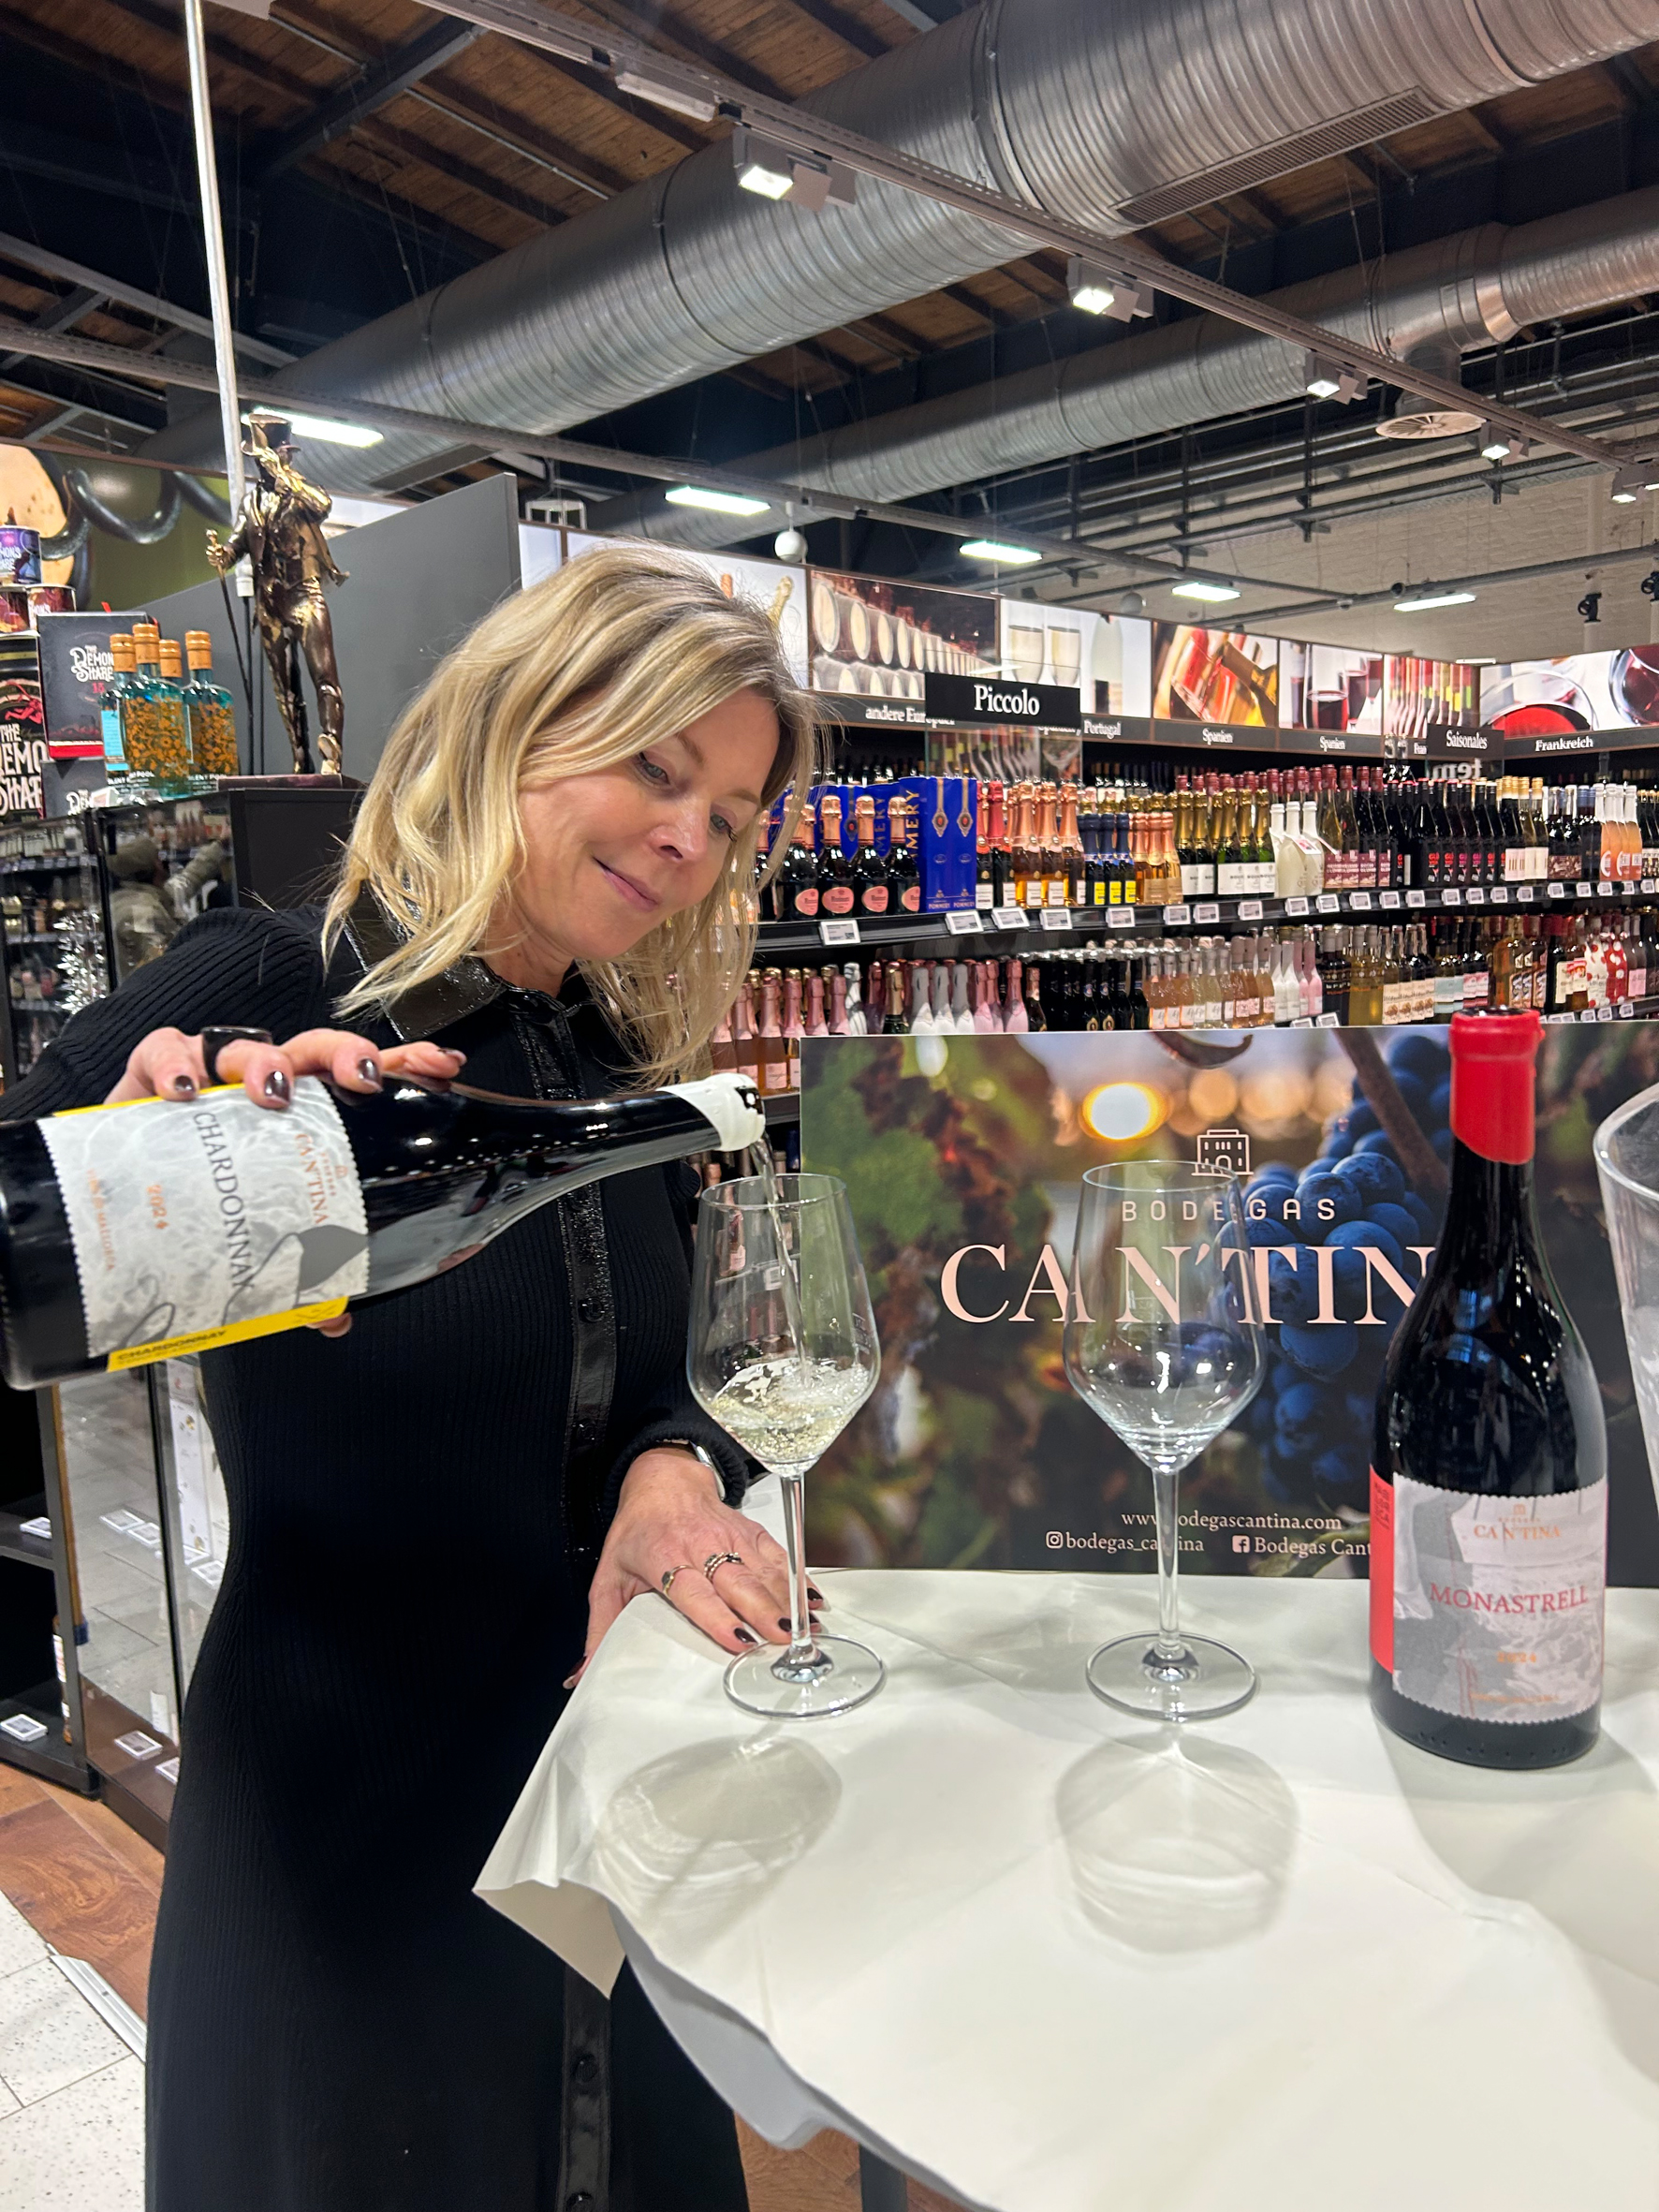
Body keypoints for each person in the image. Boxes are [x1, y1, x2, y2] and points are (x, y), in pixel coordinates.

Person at [1, 545, 821, 2211]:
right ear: (519, 717)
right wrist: (148, 1150)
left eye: (731, 817)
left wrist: (672, 1466)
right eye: (657, 764)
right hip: (347, 1848)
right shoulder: (269, 984)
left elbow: (673, 1376)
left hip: (599, 1836)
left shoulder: (609, 1050)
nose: (690, 836)